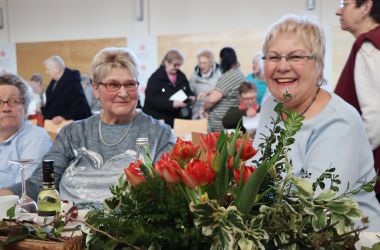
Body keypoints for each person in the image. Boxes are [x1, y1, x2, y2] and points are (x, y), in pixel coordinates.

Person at [252, 15, 380, 231]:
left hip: (347, 238)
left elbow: (316, 208)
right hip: (276, 231)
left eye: (295, 57)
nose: (282, 66)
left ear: (318, 66)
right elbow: (254, 170)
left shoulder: (339, 122)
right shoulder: (270, 103)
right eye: (273, 57)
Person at [0, 47, 175, 204]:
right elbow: (40, 183)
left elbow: (165, 194)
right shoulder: (72, 133)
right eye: (113, 85)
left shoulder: (159, 134)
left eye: (130, 84)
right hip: (69, 229)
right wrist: (5, 195)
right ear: (96, 89)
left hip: (132, 232)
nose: (123, 93)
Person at [335, 0, 380, 200]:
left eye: (345, 4)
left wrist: (347, 161)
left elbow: (375, 117)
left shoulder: (369, 46)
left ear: (366, 7)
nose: (339, 10)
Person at [0, 73, 52, 188]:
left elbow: (25, 190)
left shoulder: (36, 138)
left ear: (25, 106)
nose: (6, 108)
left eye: (14, 101)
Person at [143, 48, 195, 128]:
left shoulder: (181, 76)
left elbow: (187, 91)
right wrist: (172, 104)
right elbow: (151, 98)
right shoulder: (155, 78)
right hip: (159, 119)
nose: (177, 67)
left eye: (179, 65)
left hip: (176, 120)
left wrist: (191, 96)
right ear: (166, 62)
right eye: (175, 65)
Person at [203, 47, 245, 132]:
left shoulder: (230, 75)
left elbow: (211, 100)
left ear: (223, 60)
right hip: (230, 122)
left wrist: (204, 108)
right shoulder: (238, 73)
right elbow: (228, 91)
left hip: (221, 125)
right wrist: (210, 92)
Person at [42, 55, 91, 124]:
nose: (46, 72)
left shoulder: (72, 82)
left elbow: (80, 105)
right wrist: (42, 110)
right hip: (54, 125)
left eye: (48, 69)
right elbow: (53, 104)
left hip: (70, 125)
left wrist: (64, 117)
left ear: (56, 69)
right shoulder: (54, 82)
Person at [189, 50, 221, 119]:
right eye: (200, 63)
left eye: (204, 63)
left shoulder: (220, 74)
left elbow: (222, 91)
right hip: (199, 113)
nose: (202, 66)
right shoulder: (193, 77)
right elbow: (191, 92)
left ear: (211, 63)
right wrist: (192, 97)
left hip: (215, 112)